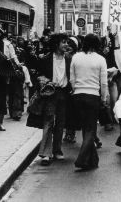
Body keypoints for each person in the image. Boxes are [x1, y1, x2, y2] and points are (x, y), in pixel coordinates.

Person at [70, 33, 108, 170]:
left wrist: (75, 90)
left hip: (78, 96)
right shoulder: (100, 59)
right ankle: (81, 159)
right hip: (93, 96)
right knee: (91, 129)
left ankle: (92, 161)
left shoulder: (75, 57)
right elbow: (103, 83)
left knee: (86, 129)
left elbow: (72, 79)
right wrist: (104, 98)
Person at [37, 33, 71, 165]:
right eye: (64, 42)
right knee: (48, 121)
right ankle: (46, 153)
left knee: (61, 123)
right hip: (50, 93)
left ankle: (57, 150)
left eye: (67, 42)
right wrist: (44, 80)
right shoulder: (46, 59)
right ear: (56, 44)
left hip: (64, 93)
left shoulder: (69, 58)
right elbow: (39, 75)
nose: (66, 44)